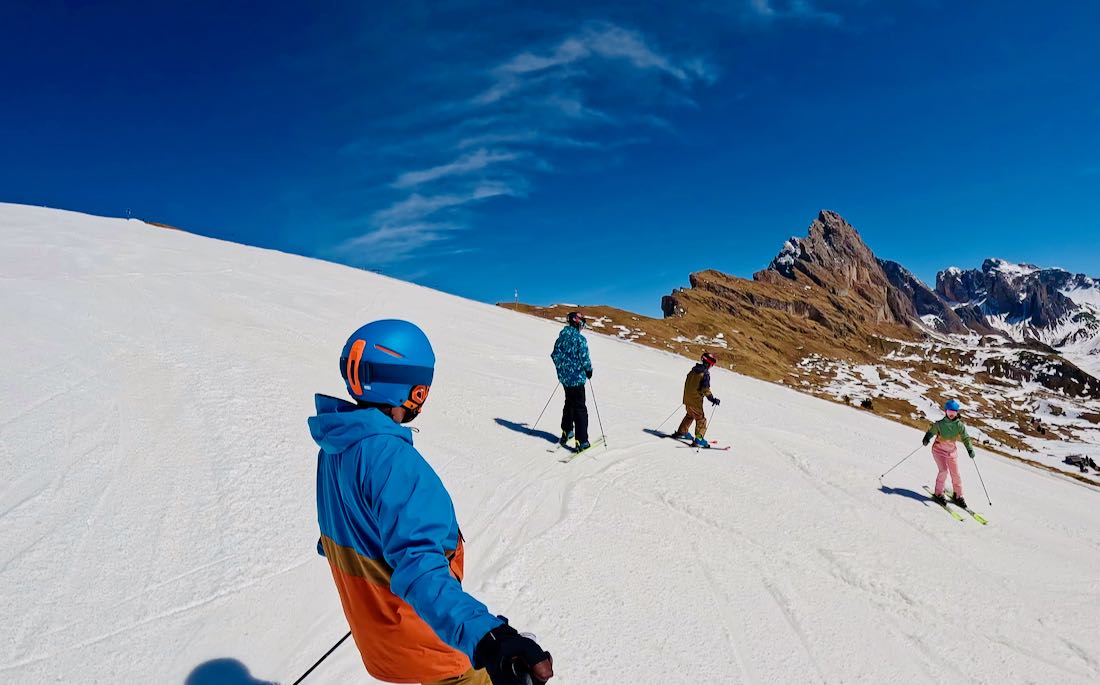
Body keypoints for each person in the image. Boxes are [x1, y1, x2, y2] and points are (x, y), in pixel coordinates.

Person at [309, 319, 554, 685]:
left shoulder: (335, 447)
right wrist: (490, 639)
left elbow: (340, 534)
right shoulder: (395, 463)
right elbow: (421, 571)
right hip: (432, 646)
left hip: (382, 643)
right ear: (416, 391)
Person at [550, 311, 594, 451]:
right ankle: (582, 441)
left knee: (569, 403)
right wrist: (588, 370)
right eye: (582, 324)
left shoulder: (561, 338)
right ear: (577, 322)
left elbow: (554, 355)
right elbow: (584, 358)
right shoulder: (580, 339)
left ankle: (567, 431)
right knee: (580, 408)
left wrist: (563, 369)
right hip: (577, 380)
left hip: (565, 379)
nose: (582, 327)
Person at [923, 399, 975, 508]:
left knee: (955, 473)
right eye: (949, 412)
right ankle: (939, 493)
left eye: (954, 412)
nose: (951, 414)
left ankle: (958, 495)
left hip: (951, 452)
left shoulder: (959, 425)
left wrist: (970, 449)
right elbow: (931, 432)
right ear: (945, 411)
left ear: (957, 413)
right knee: (943, 470)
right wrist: (927, 438)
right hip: (939, 450)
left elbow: (965, 438)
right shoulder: (940, 424)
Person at [672, 352, 721, 448]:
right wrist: (713, 399)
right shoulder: (704, 373)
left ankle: (682, 432)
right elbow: (705, 389)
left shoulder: (693, 370)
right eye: (712, 365)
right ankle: (699, 439)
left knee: (690, 415)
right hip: (695, 401)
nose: (711, 366)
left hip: (687, 398)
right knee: (701, 419)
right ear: (709, 364)